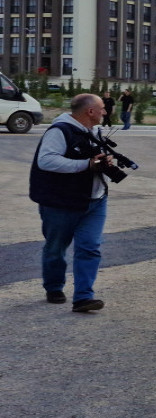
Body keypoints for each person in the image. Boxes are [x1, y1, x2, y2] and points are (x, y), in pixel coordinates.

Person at [29, 93, 111, 312]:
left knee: (90, 247)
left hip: (95, 200)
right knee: (56, 247)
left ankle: (83, 297)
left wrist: (104, 161)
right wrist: (86, 164)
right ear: (90, 111)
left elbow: (93, 160)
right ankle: (54, 286)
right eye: (102, 108)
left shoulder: (95, 131)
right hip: (61, 202)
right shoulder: (59, 131)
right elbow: (46, 160)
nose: (105, 112)